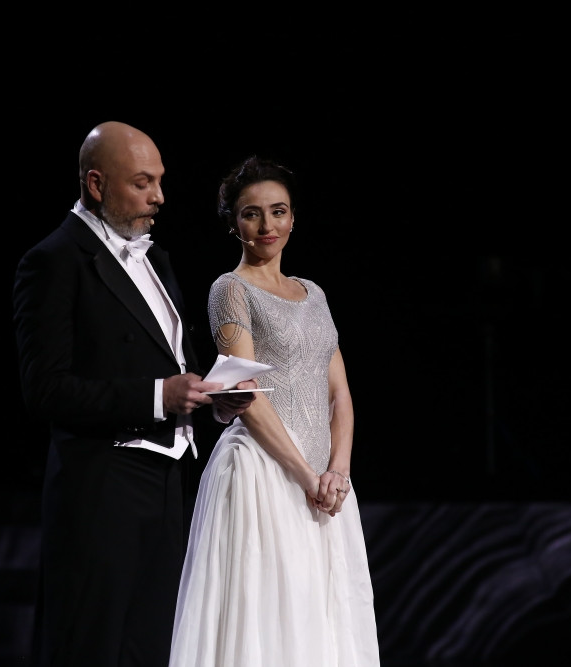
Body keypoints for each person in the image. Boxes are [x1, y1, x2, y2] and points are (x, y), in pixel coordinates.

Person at [12, 121, 256, 667]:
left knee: (153, 647)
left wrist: (212, 395)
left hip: (169, 482)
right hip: (103, 487)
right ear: (96, 184)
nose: (159, 197)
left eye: (160, 181)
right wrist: (157, 397)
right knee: (92, 647)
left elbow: (170, 365)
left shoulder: (155, 258)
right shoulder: (54, 261)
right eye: (143, 183)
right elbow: (45, 391)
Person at [169, 155, 381, 666]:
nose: (267, 225)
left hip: (324, 484)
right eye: (252, 213)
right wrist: (308, 477)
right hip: (263, 475)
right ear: (233, 223)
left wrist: (338, 474)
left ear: (293, 218)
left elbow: (339, 394)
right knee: (265, 619)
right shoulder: (231, 289)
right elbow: (244, 393)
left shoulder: (314, 294)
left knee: (320, 621)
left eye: (278, 211)